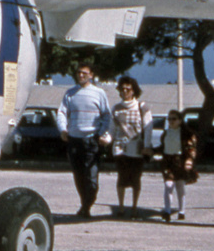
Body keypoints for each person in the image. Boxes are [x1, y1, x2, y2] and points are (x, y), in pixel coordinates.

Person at [57, 63, 113, 218]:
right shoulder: (70, 93)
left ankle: (88, 202)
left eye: (84, 73)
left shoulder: (99, 93)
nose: (81, 75)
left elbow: (106, 115)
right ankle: (85, 205)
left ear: (91, 75)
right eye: (79, 73)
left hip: (91, 140)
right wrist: (63, 129)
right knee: (79, 175)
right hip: (74, 140)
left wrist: (101, 133)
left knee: (92, 177)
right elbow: (61, 112)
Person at [111, 76, 153, 218]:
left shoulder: (142, 107)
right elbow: (112, 129)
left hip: (136, 149)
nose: (125, 91)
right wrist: (106, 139)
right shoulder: (116, 108)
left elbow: (148, 128)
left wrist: (147, 146)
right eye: (122, 89)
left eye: (128, 89)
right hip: (120, 148)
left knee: (135, 178)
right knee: (121, 177)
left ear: (134, 91)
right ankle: (121, 207)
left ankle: (134, 206)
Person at [160, 110, 198, 222]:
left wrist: (189, 160)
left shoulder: (186, 134)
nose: (171, 121)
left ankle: (181, 211)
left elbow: (192, 148)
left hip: (180, 161)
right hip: (167, 161)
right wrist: (150, 151)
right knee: (168, 185)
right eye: (169, 119)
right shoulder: (166, 133)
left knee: (180, 185)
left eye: (174, 119)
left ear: (180, 120)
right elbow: (162, 147)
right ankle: (167, 211)